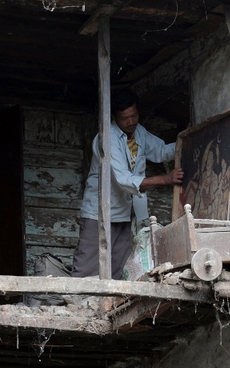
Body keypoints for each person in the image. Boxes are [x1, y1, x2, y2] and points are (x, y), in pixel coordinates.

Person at [72, 89, 183, 280]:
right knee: (87, 267)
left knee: (119, 268)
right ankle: (77, 306)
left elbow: (162, 151)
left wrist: (186, 142)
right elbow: (123, 180)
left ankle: (110, 308)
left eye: (134, 116)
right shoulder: (106, 138)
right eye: (125, 118)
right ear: (114, 117)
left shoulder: (139, 132)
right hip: (100, 213)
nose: (131, 122)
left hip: (124, 213)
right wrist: (165, 179)